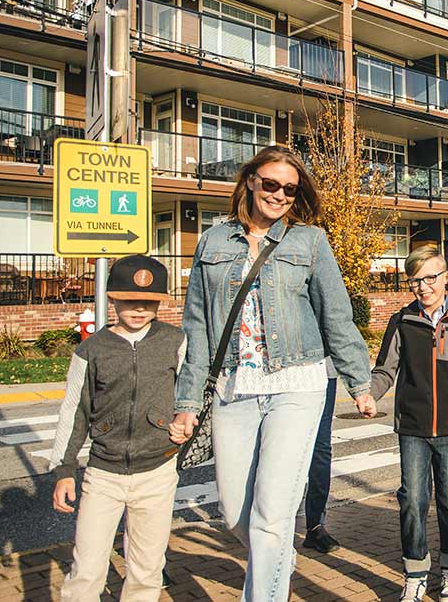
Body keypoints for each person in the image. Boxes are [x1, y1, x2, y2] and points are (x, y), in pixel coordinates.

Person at [170, 146, 370, 602]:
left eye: (290, 188)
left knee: (269, 518)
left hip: (297, 385)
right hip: (232, 388)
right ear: (251, 181)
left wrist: (359, 382)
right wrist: (185, 402)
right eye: (272, 183)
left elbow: (336, 316)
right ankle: (278, 558)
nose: (279, 194)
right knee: (237, 516)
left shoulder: (310, 241)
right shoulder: (213, 241)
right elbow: (196, 326)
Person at [358, 245, 448, 602]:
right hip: (412, 426)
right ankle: (415, 571)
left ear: (445, 278)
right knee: (411, 499)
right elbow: (385, 369)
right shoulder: (403, 321)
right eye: (415, 280)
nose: (423, 286)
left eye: (430, 278)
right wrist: (369, 395)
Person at [48, 255, 185, 601]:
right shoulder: (91, 350)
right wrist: (64, 469)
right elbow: (74, 412)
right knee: (86, 569)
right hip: (103, 475)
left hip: (158, 471)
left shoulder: (175, 341)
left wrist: (188, 425)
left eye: (149, 302)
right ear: (112, 298)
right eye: (129, 300)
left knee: (146, 570)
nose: (139, 309)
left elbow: (192, 396)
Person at [301, 370, 342, 553]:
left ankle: (315, 526)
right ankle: (270, 525)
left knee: (320, 448)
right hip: (282, 373)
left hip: (323, 373)